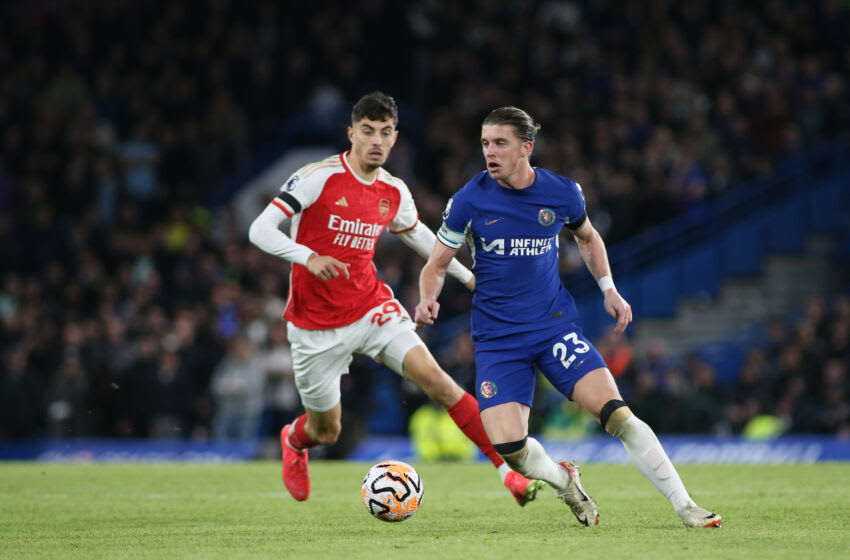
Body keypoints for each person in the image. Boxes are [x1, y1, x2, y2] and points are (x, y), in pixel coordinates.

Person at [416, 106, 722, 528]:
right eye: (485, 143)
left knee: (617, 414)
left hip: (552, 327)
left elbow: (588, 237)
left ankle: (686, 506)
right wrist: (427, 299)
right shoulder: (469, 199)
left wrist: (609, 289)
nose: (490, 151)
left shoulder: (562, 193)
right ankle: (565, 480)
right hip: (498, 340)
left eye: (500, 143)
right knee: (510, 448)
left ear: (527, 147)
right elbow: (435, 264)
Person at [248, 92, 544, 504]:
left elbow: (419, 234)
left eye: (385, 133)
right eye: (367, 131)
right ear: (351, 133)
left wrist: (466, 276)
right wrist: (308, 256)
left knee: (439, 382)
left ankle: (507, 472)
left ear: (394, 137)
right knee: (326, 431)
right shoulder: (317, 177)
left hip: (372, 308)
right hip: (315, 326)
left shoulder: (392, 190)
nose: (376, 141)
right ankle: (294, 440)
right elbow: (259, 230)